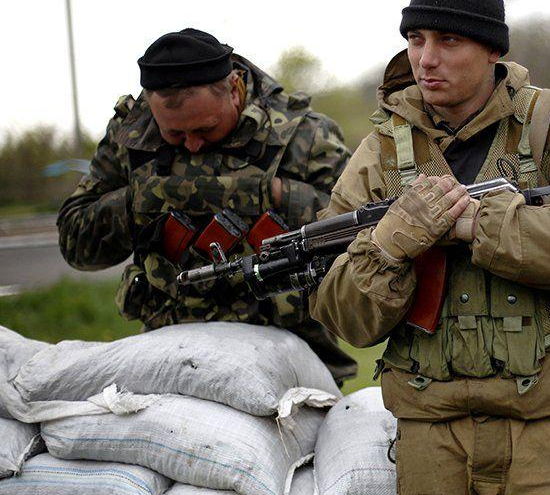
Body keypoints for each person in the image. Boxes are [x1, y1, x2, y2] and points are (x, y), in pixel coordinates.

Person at [309, 0, 550, 495]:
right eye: (415, 41)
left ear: (491, 51)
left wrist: (475, 226)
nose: (425, 59)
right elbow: (344, 319)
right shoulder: (380, 153)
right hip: (435, 433)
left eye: (447, 41)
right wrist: (387, 247)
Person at [57, 28, 357, 384]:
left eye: (206, 129)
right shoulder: (132, 136)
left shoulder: (304, 135)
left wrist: (273, 195)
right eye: (174, 135)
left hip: (289, 350)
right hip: (171, 350)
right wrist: (138, 201)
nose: (193, 145)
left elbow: (356, 233)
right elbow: (76, 245)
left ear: (233, 89)